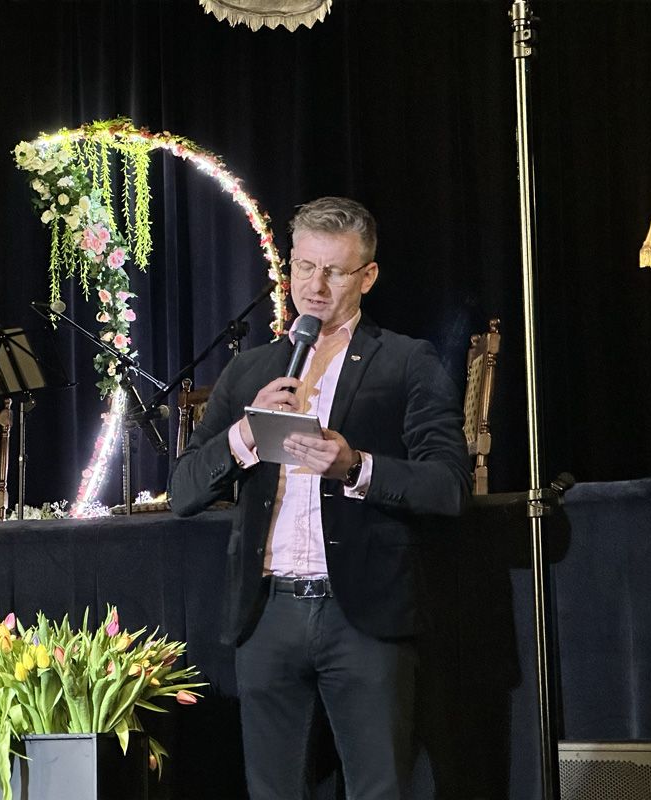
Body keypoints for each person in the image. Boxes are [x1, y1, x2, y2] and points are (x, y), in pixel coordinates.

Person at [171, 196, 470, 800]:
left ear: (368, 276)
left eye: (334, 271)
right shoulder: (251, 369)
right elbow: (183, 492)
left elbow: (449, 486)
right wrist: (245, 434)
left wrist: (355, 466)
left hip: (361, 613)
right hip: (267, 612)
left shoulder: (406, 361)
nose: (315, 285)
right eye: (305, 267)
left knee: (378, 788)